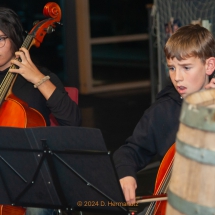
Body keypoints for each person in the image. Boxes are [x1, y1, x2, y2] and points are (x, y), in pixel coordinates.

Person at [113, 24, 215, 213]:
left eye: (186, 68)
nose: (177, 77)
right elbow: (131, 150)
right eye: (172, 68)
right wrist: (126, 173)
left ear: (209, 66)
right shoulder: (163, 111)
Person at [0, 6, 81, 215]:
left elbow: (73, 122)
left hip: (35, 176)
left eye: (0, 39)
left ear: (16, 40)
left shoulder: (40, 77)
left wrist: (38, 79)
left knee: (36, 209)